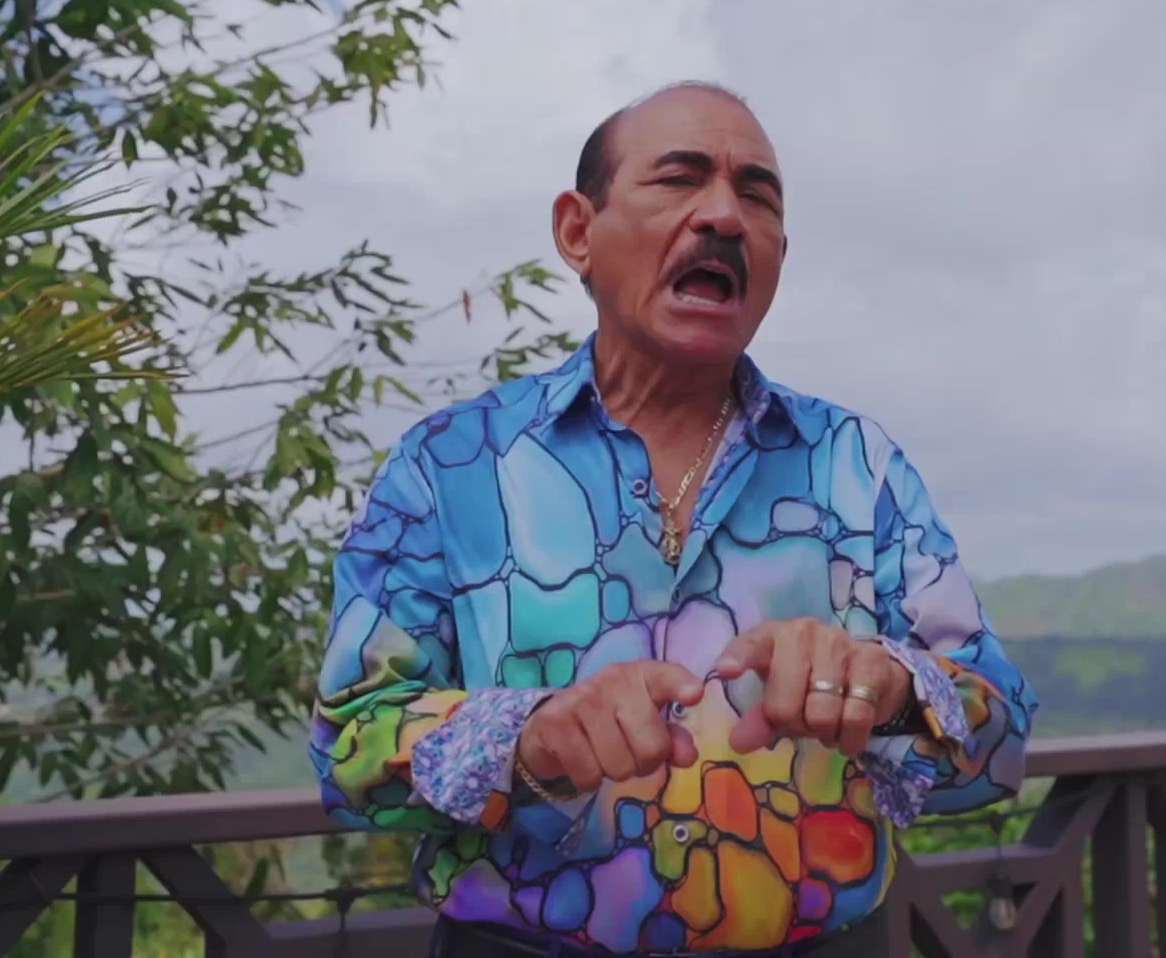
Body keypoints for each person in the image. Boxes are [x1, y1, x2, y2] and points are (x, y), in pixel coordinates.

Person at [309, 82, 1037, 957]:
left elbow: (1002, 738)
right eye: (680, 178)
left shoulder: (857, 464)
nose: (724, 215)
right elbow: (349, 750)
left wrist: (889, 693)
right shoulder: (450, 465)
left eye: (758, 196)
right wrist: (528, 739)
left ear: (778, 255)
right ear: (578, 231)